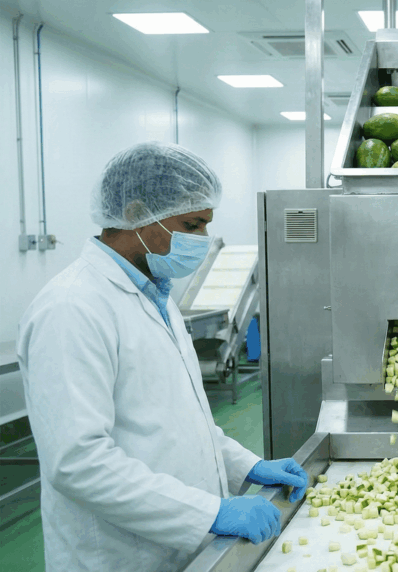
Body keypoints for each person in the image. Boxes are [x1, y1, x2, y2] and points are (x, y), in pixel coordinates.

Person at [18, 142, 309, 572]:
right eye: (192, 224)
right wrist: (208, 514)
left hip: (181, 547)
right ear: (136, 213)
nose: (202, 240)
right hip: (121, 556)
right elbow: (78, 463)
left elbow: (182, 422)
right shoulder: (71, 308)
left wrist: (248, 466)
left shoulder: (157, 296)